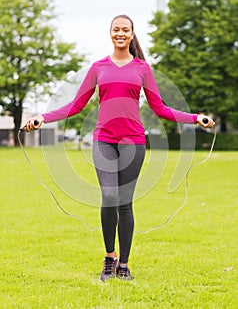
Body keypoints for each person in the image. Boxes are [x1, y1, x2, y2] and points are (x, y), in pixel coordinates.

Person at [24, 14, 215, 281]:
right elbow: (75, 106)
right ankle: (109, 257)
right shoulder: (98, 67)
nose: (121, 33)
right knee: (110, 197)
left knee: (125, 203)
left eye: (126, 29)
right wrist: (43, 118)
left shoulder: (142, 69)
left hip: (133, 142)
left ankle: (124, 264)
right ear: (110, 33)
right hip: (103, 140)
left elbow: (160, 108)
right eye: (116, 29)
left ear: (133, 33)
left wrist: (195, 118)